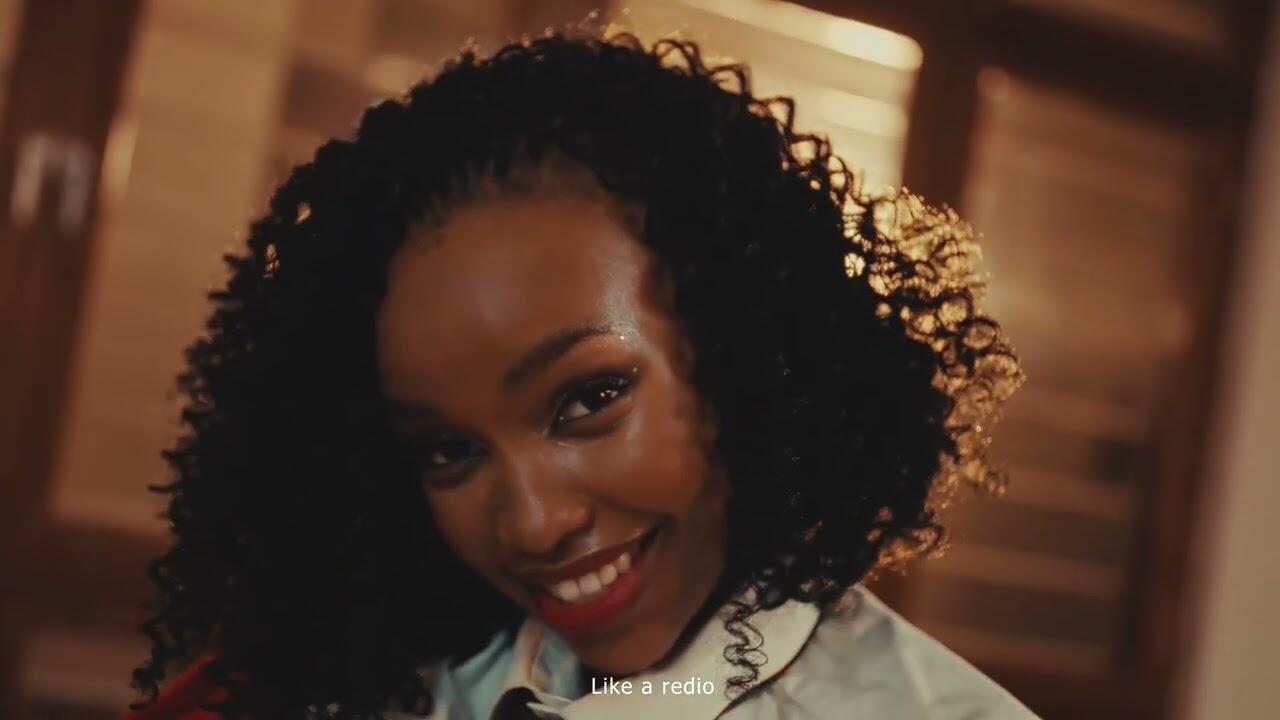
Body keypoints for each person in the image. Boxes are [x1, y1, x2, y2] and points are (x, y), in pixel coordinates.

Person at [124, 29, 1029, 720]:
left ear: (747, 352)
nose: (532, 521)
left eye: (589, 400)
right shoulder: (356, 690)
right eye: (448, 450)